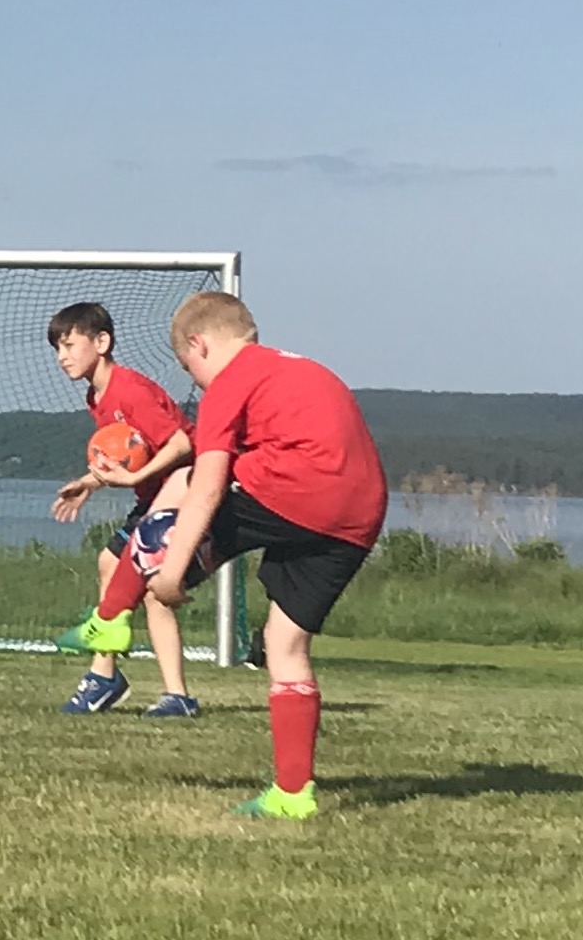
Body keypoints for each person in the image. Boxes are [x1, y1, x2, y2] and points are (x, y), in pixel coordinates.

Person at [145, 290, 386, 820]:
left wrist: (173, 572)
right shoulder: (299, 368)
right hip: (359, 513)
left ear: (198, 344)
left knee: (171, 522)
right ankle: (293, 793)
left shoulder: (231, 381)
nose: (196, 380)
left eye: (190, 368)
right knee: (285, 641)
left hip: (296, 491)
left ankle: (113, 615)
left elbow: (208, 484)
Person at [43, 298, 200, 718]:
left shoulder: (131, 390)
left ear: (103, 342)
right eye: (57, 348)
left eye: (70, 345)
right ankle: (152, 689)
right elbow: (133, 451)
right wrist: (92, 482)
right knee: (117, 569)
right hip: (154, 496)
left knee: (147, 586)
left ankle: (109, 677)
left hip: (186, 491)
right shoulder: (96, 397)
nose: (62, 357)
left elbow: (184, 443)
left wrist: (131, 479)